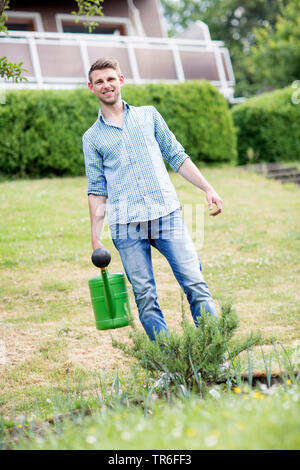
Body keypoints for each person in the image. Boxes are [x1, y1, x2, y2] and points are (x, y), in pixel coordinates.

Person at [83, 57, 223, 341]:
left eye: (111, 79)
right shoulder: (92, 137)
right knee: (145, 296)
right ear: (91, 88)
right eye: (99, 81)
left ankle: (214, 354)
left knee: (195, 283)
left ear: (121, 80)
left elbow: (176, 155)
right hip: (125, 226)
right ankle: (167, 363)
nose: (106, 85)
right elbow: (97, 188)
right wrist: (96, 237)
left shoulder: (149, 115)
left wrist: (207, 188)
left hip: (165, 215)